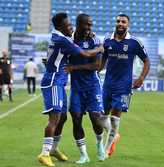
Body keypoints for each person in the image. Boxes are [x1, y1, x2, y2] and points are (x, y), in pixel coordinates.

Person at [38, 12, 104, 167]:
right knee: (55, 118)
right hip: (54, 81)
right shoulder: (64, 39)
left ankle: (53, 149)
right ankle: (44, 153)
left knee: (62, 117)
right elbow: (86, 53)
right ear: (60, 27)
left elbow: (52, 57)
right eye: (68, 26)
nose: (71, 28)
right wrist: (100, 49)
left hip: (61, 82)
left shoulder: (62, 37)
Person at [100, 14, 150, 158]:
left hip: (124, 86)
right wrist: (95, 71)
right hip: (108, 84)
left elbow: (147, 61)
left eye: (123, 22)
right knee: (100, 117)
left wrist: (141, 78)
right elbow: (102, 60)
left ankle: (106, 150)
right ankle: (114, 136)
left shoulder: (134, 42)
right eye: (118, 21)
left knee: (115, 119)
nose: (120, 24)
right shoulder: (107, 40)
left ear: (128, 25)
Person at [66, 13, 105, 164]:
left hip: (93, 86)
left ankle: (99, 143)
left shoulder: (95, 40)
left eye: (91, 24)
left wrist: (74, 67)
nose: (89, 27)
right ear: (78, 24)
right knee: (76, 119)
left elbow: (96, 66)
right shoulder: (69, 40)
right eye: (87, 24)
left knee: (96, 119)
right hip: (76, 88)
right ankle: (84, 155)